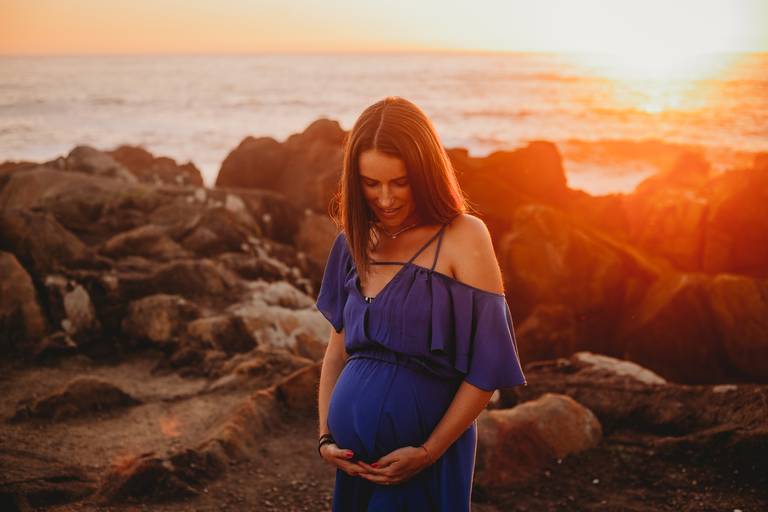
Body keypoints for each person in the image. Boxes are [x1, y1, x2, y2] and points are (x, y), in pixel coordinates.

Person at [315, 96, 527, 511]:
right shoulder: (353, 241)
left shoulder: (463, 236)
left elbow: (486, 370)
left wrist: (428, 452)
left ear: (425, 173)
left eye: (400, 182)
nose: (386, 198)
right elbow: (337, 352)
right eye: (370, 183)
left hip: (423, 461)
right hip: (355, 466)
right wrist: (325, 437)